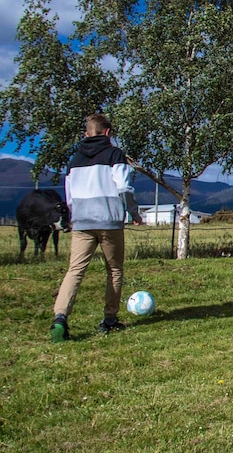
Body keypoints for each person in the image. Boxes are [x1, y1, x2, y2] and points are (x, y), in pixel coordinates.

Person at [50, 113, 143, 342]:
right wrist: (133, 213)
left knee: (75, 270)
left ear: (86, 134)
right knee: (114, 269)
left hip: (82, 222)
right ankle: (109, 319)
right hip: (109, 221)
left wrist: (75, 216)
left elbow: (70, 196)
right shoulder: (115, 154)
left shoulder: (74, 161)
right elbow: (123, 188)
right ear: (108, 133)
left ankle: (60, 318)